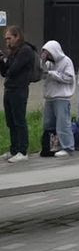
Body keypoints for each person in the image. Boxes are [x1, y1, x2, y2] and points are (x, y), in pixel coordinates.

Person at [1, 26, 36, 162]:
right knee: (10, 121)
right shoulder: (13, 52)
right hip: (9, 89)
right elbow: (5, 72)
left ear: (17, 37)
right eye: (6, 39)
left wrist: (6, 62)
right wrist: (1, 61)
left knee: (19, 121)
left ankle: (22, 151)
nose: (7, 42)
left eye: (9, 38)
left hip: (19, 90)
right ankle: (14, 149)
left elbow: (13, 70)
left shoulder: (25, 51)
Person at [40, 40, 76, 158]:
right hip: (50, 96)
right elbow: (42, 73)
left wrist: (52, 74)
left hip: (62, 97)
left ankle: (68, 147)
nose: (48, 56)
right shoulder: (49, 63)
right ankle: (52, 146)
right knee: (48, 124)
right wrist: (43, 62)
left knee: (63, 123)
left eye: (49, 53)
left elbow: (69, 78)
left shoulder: (66, 61)